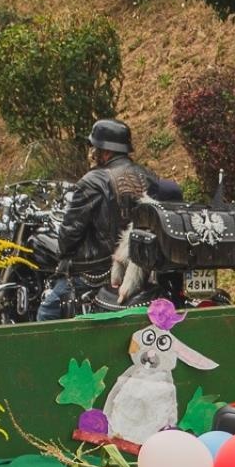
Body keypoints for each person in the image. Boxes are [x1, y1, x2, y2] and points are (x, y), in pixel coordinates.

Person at [38, 119, 162, 322]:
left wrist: (65, 251)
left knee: (47, 312)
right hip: (142, 270)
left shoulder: (92, 181)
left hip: (95, 275)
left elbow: (68, 238)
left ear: (105, 152)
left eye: (94, 148)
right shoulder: (149, 177)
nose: (92, 153)